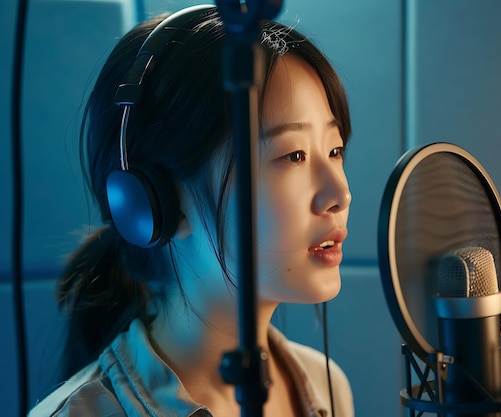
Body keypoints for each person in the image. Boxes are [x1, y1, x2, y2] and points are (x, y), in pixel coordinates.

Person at [29, 5, 353, 417]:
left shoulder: (327, 389)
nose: (339, 192)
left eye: (336, 150)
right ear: (154, 202)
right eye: (294, 155)